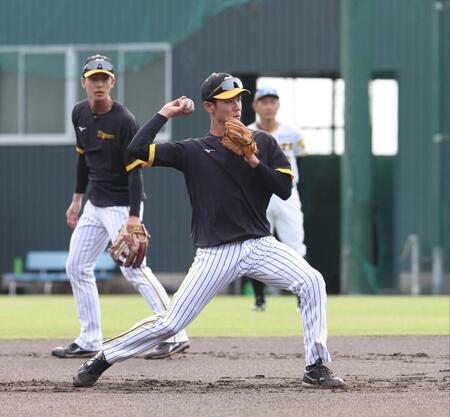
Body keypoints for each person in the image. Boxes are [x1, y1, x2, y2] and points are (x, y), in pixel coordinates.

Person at [72, 72, 345, 389]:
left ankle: (315, 365)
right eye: (228, 100)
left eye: (239, 98)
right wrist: (166, 112)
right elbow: (135, 150)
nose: (236, 106)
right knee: (171, 322)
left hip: (260, 245)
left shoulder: (263, 143)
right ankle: (103, 358)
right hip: (216, 252)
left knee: (312, 281)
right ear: (209, 106)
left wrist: (254, 160)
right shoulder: (192, 150)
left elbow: (284, 189)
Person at [52, 54, 189, 360]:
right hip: (94, 204)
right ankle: (89, 339)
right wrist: (76, 198)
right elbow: (83, 158)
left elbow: (135, 170)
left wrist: (133, 219)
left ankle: (176, 332)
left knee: (135, 270)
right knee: (76, 266)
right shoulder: (79, 114)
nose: (98, 83)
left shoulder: (124, 120)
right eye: (93, 78)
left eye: (104, 78)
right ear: (84, 82)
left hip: (122, 205)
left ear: (112, 82)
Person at [247, 87, 307, 312]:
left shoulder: (293, 133)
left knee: (295, 244)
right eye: (264, 102)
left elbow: (300, 160)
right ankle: (259, 299)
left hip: (287, 195)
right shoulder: (246, 132)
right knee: (255, 245)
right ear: (255, 106)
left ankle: (302, 297)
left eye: (273, 101)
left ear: (278, 105)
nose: (269, 106)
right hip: (259, 195)